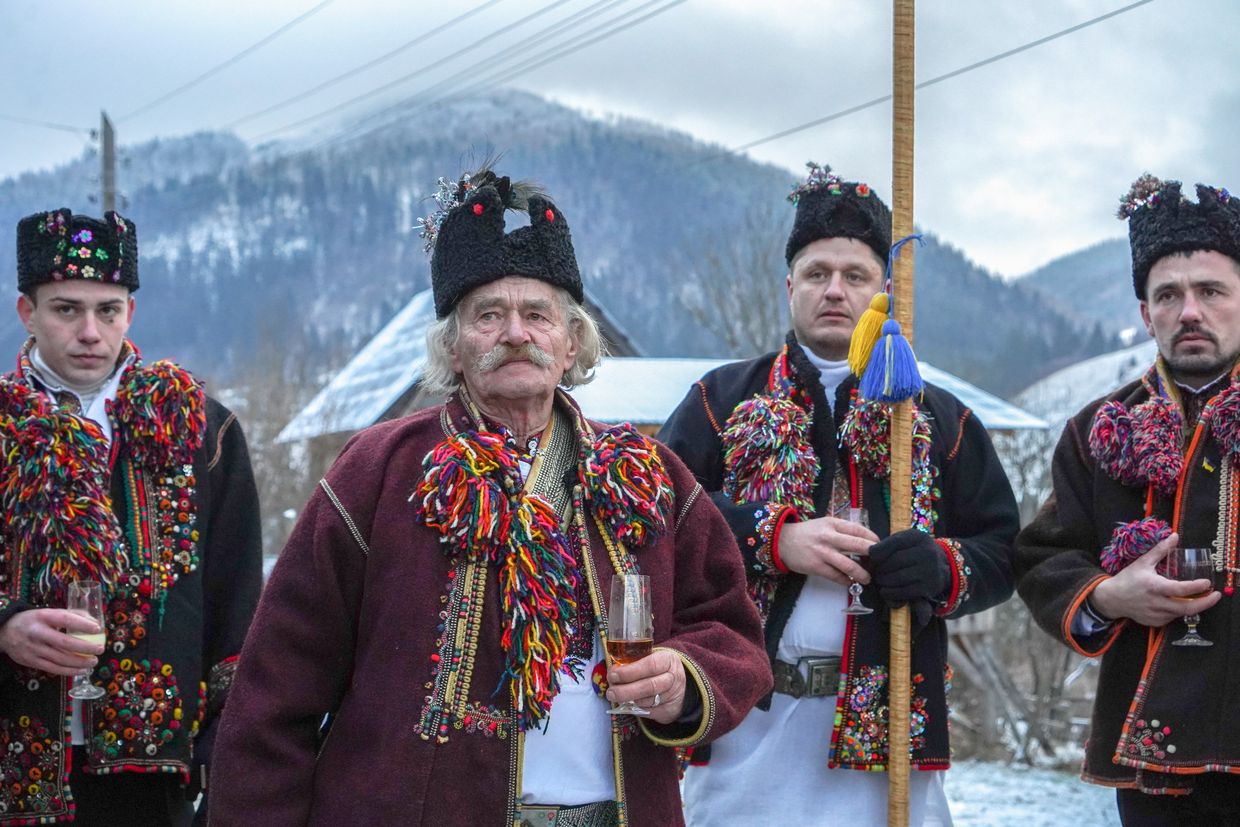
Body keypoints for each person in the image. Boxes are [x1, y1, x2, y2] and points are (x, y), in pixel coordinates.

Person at [209, 168, 771, 826]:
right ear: (452, 345)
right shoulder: (381, 469)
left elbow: (733, 632)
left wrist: (684, 674)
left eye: (537, 314)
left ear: (572, 342)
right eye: (488, 315)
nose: (515, 332)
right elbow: (275, 694)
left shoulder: (650, 474)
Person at [659, 163, 1019, 826]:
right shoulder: (720, 398)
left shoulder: (934, 414)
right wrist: (773, 538)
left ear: (886, 289)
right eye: (816, 273)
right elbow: (658, 520)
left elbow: (1003, 546)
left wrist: (940, 566)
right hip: (749, 721)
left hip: (889, 734)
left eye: (855, 276)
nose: (834, 290)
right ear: (787, 285)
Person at [0, 208, 263, 826]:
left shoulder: (203, 428)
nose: (90, 331)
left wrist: (226, 757)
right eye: (67, 309)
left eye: (108, 311)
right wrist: (5, 629)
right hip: (14, 759)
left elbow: (238, 605)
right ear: (27, 313)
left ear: (130, 314)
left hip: (155, 774)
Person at [1017, 175, 1240, 824]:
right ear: (1146, 313)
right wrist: (1108, 596)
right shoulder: (1098, 427)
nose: (1189, 310)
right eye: (1168, 294)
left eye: (1211, 291)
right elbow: (1042, 555)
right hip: (1152, 765)